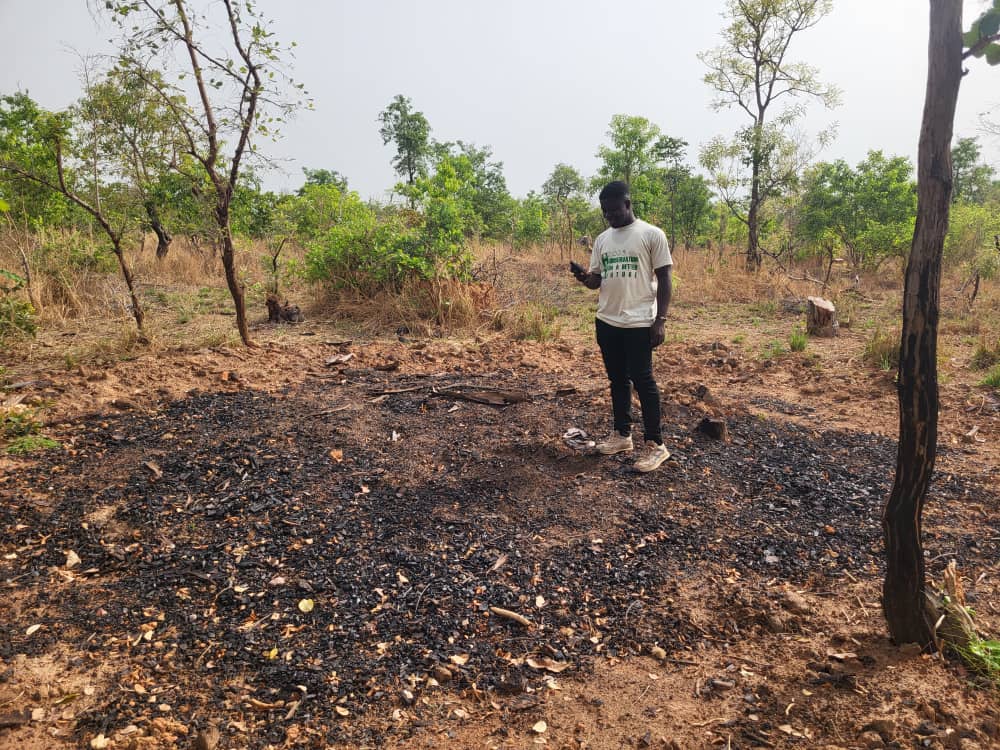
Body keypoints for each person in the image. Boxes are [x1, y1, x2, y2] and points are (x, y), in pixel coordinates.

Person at [571, 181, 672, 473]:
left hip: (640, 322)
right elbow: (597, 281)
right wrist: (583, 277)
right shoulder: (603, 239)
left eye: (614, 210)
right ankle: (622, 435)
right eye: (605, 212)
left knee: (644, 381)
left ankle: (656, 445)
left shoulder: (652, 235)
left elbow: (665, 279)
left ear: (628, 205)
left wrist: (660, 320)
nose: (610, 216)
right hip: (607, 321)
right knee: (617, 381)